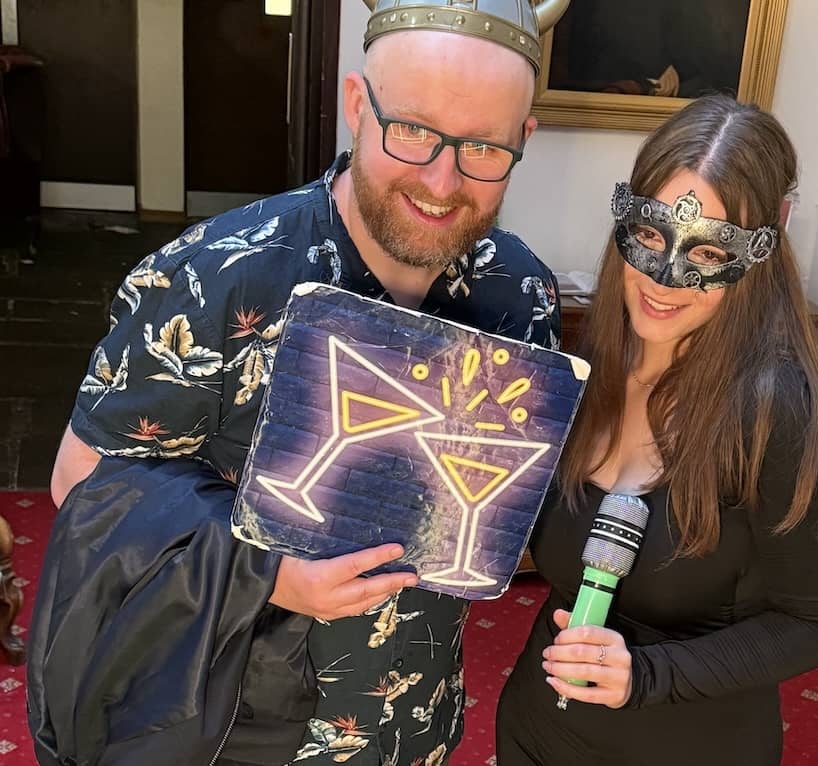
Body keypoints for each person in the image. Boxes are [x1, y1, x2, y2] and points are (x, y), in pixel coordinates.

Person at [28, 1, 572, 764]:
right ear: (358, 105)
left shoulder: (521, 294)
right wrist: (266, 573)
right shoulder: (211, 278)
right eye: (412, 130)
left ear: (522, 141)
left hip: (413, 720)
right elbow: (81, 481)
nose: (442, 180)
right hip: (230, 722)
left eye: (483, 146)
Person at [495, 94, 818, 765]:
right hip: (537, 731)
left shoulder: (774, 410)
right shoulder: (587, 369)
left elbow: (813, 624)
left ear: (760, 250)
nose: (664, 278)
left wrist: (646, 675)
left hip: (685, 745)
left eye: (710, 252)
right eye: (652, 236)